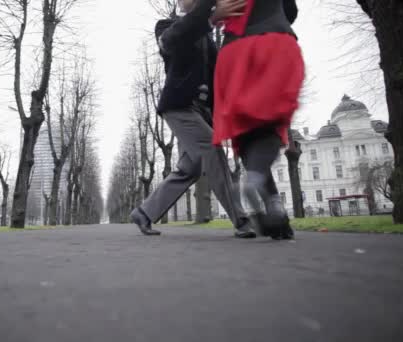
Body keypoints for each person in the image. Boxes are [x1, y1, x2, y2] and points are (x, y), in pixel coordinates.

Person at [130, 0, 257, 238]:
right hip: (179, 107)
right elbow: (176, 38)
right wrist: (209, 15)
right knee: (212, 147)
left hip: (202, 112)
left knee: (190, 168)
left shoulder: (207, 38)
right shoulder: (166, 27)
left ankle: (144, 213)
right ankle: (240, 218)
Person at [210, 0, 304, 239]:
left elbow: (191, 7)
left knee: (246, 130)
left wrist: (212, 17)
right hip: (273, 41)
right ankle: (254, 181)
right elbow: (290, 11)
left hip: (232, 53)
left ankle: (275, 210)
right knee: (272, 120)